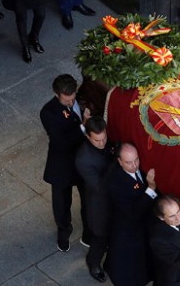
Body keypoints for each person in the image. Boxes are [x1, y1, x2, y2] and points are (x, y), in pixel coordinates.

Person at [40, 74, 91, 252]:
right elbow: (60, 142)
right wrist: (83, 127)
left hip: (83, 162)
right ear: (56, 94)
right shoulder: (48, 112)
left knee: (88, 200)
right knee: (61, 203)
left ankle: (89, 233)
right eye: (66, 100)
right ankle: (64, 232)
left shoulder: (81, 99)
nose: (70, 103)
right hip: (63, 164)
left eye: (72, 98)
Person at [105, 142, 158, 286]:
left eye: (136, 160)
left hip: (142, 224)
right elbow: (133, 211)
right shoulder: (115, 182)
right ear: (119, 161)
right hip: (127, 227)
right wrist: (151, 189)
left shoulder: (138, 169)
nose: (134, 166)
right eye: (129, 162)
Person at [75, 116, 115, 283]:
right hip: (99, 205)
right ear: (88, 137)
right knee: (100, 237)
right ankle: (94, 263)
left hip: (113, 199)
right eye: (97, 140)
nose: (102, 143)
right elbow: (99, 187)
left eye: (104, 138)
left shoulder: (107, 143)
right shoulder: (83, 159)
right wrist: (117, 164)